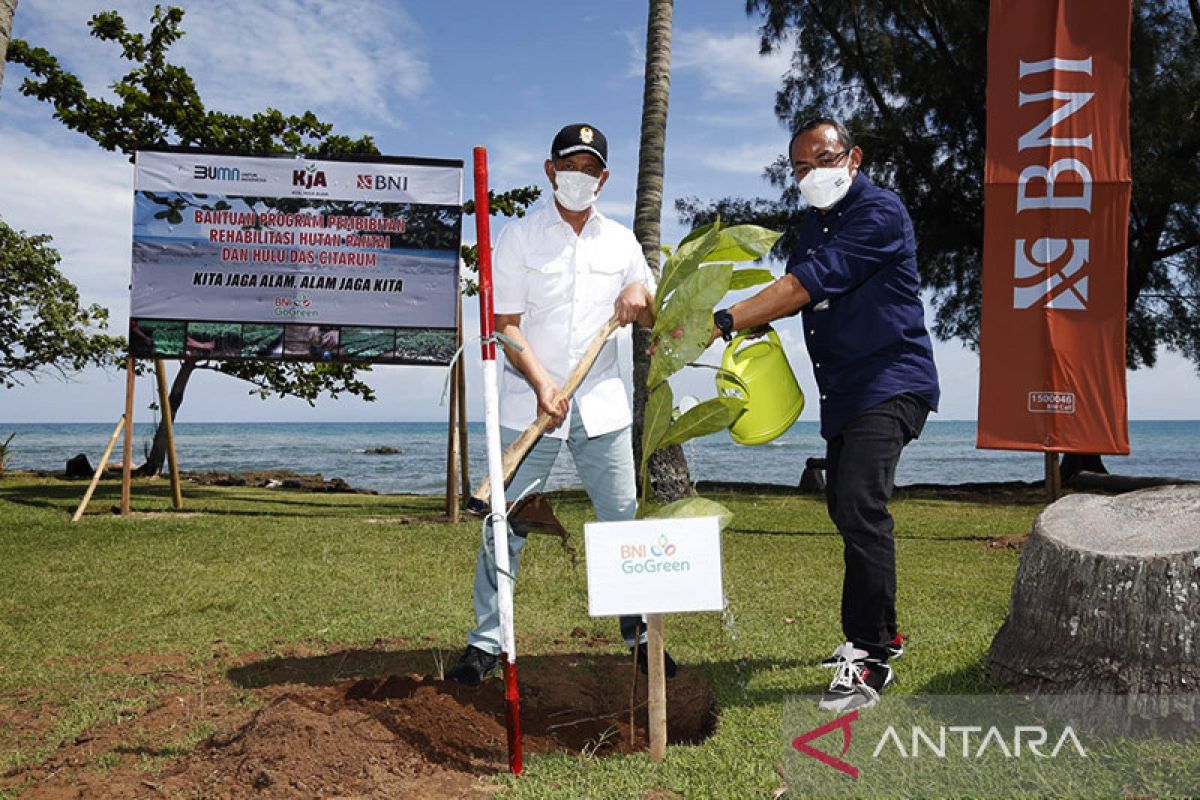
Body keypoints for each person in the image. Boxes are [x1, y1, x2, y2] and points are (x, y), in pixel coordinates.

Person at [709, 118, 940, 712]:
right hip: (844, 393)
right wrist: (730, 325)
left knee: (861, 504)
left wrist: (731, 317)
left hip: (891, 381)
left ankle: (869, 659)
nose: (812, 175)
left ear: (853, 157)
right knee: (844, 503)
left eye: (823, 160)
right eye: (800, 168)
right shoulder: (813, 225)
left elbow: (808, 283)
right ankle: (880, 632)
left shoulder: (880, 212)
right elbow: (790, 294)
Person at [446, 123, 674, 686]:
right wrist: (544, 384)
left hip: (602, 404)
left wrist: (638, 296)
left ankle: (639, 636)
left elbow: (650, 317)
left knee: (622, 525)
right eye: (569, 166)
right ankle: (487, 642)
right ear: (550, 172)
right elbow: (506, 325)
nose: (579, 177)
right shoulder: (519, 237)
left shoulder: (623, 243)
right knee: (506, 524)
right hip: (529, 403)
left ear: (604, 178)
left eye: (589, 168)